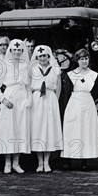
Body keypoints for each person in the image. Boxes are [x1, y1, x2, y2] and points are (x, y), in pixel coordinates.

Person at [0, 39, 31, 174]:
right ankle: (7, 163)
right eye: (14, 50)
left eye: (19, 50)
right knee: (8, 130)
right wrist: (3, 100)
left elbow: (28, 86)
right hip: (9, 99)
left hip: (21, 100)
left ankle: (16, 162)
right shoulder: (4, 66)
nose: (17, 52)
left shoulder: (25, 66)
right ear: (10, 50)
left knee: (20, 130)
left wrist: (28, 99)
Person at [61, 49, 98, 170]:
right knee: (71, 130)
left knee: (86, 130)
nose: (84, 61)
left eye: (86, 58)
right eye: (81, 59)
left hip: (87, 103)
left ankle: (85, 160)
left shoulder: (94, 74)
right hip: (74, 103)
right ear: (77, 60)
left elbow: (95, 93)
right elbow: (67, 92)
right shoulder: (71, 74)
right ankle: (68, 159)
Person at [29, 45, 63, 173]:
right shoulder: (32, 69)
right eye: (40, 56)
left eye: (45, 56)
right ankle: (39, 162)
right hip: (37, 99)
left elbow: (58, 87)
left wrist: (56, 100)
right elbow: (28, 86)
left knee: (49, 129)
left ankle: (47, 162)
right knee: (38, 128)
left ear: (49, 56)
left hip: (50, 98)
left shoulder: (55, 69)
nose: (42, 58)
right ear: (36, 57)